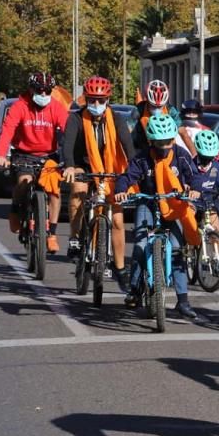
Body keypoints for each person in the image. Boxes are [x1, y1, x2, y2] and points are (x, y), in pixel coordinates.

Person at [113, 112, 202, 323]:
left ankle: (183, 301)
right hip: (147, 203)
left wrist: (195, 190)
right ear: (151, 141)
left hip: (172, 205)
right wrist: (121, 189)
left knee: (177, 250)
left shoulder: (181, 155)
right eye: (159, 143)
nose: (164, 147)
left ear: (173, 138)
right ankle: (134, 289)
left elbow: (194, 176)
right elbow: (127, 176)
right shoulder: (143, 157)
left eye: (168, 141)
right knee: (141, 245)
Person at [60, 75, 135, 291]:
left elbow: (128, 147)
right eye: (92, 100)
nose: (96, 105)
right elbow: (68, 145)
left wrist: (134, 170)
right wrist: (70, 166)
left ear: (108, 100)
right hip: (83, 167)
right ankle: (75, 238)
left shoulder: (117, 119)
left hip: (110, 171)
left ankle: (120, 270)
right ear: (86, 99)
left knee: (119, 220)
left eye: (101, 101)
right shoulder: (75, 118)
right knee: (78, 191)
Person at [0, 72, 68, 253]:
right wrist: (1, 155)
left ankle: (51, 233)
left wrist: (71, 159)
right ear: (31, 89)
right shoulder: (20, 106)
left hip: (49, 156)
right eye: (40, 91)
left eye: (48, 91)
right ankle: (16, 209)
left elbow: (68, 132)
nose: (43, 95)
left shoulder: (57, 107)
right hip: (24, 154)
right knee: (24, 181)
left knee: (54, 192)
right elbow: (7, 131)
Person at [189, 129, 219, 243]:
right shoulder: (190, 164)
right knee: (189, 226)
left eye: (210, 158)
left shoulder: (216, 166)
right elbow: (183, 183)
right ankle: (188, 249)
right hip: (193, 202)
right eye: (204, 157)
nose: (207, 161)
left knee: (216, 230)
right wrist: (188, 190)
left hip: (209, 201)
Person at [133, 79, 172, 153]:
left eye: (160, 107)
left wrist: (194, 155)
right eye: (153, 106)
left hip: (166, 149)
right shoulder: (138, 110)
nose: (157, 109)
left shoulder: (171, 110)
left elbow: (183, 132)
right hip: (142, 150)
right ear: (147, 100)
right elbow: (127, 132)